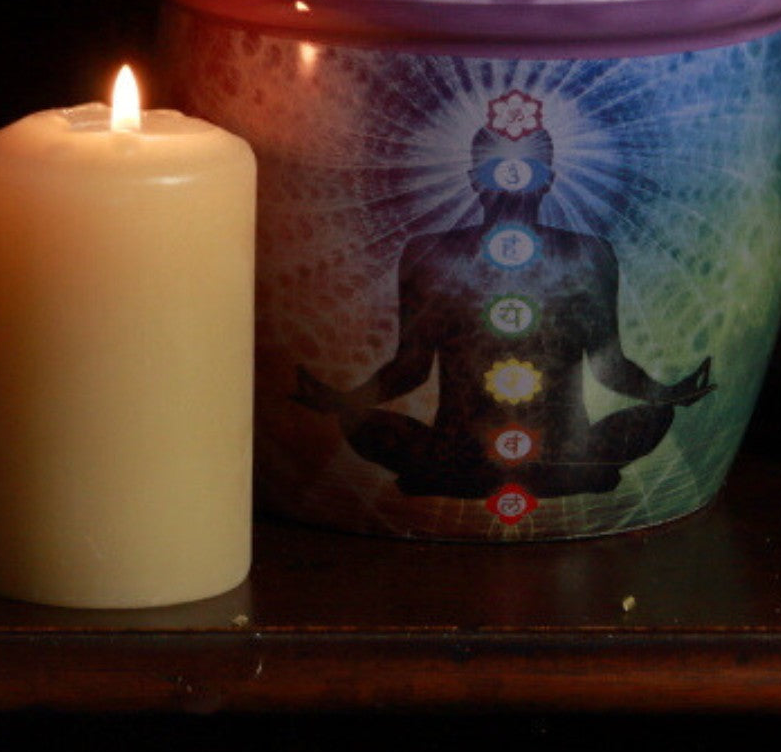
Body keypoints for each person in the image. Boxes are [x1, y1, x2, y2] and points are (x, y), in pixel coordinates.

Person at [294, 94, 714, 502]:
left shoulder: (589, 253)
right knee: (358, 421)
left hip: (549, 451)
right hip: (469, 451)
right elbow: (411, 367)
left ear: (547, 179)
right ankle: (553, 473)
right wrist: (346, 401)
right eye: (498, 170)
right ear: (475, 178)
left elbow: (609, 365)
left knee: (658, 415)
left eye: (526, 169)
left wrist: (665, 394)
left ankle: (481, 474)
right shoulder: (429, 253)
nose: (512, 182)